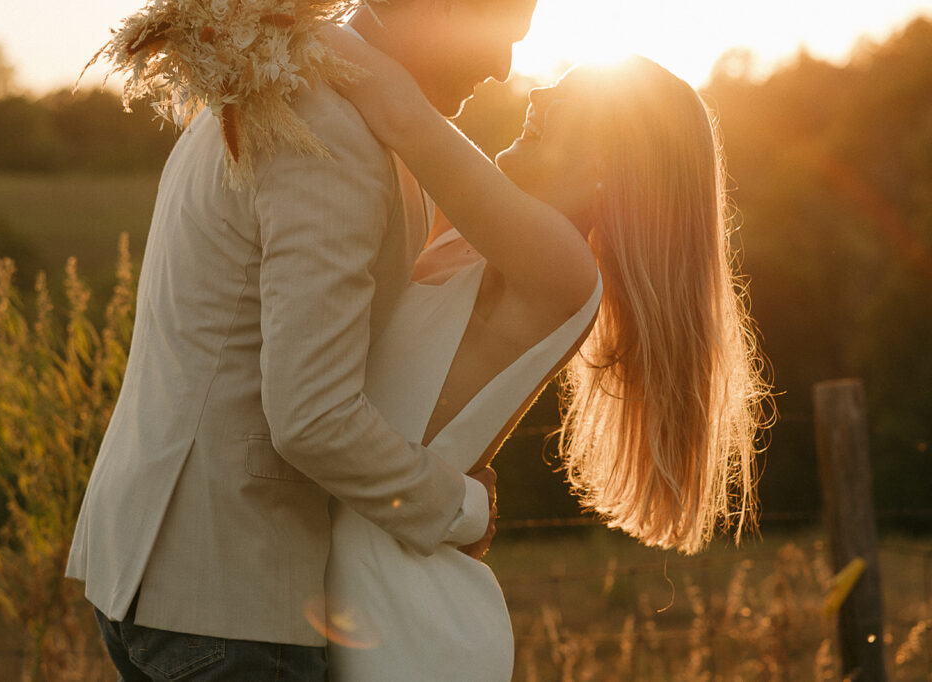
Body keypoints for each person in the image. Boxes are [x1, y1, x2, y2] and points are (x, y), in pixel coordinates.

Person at [66, 1, 537, 679]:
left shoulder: (281, 87)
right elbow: (312, 416)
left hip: (165, 575)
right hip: (233, 597)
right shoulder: (328, 132)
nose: (503, 67)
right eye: (499, 37)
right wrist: (461, 507)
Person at [318, 28, 771, 680]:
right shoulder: (465, 238)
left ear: (615, 166)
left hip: (410, 630)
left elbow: (400, 111)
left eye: (579, 99)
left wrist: (284, 23)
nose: (541, 93)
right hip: (371, 591)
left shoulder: (559, 266)